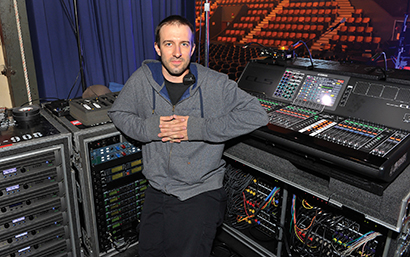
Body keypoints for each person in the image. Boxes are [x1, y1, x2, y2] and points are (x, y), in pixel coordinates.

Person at [108, 15, 269, 257]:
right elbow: (119, 112)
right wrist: (152, 129)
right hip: (156, 188)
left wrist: (196, 129)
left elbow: (257, 114)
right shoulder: (142, 79)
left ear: (193, 48)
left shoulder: (215, 83)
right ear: (157, 48)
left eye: (184, 44)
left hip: (199, 192)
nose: (176, 52)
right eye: (168, 43)